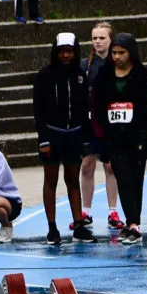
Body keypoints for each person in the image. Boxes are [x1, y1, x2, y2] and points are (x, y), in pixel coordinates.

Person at [92, 33, 147, 243]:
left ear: (131, 53)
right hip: (114, 137)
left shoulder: (142, 75)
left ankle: (133, 223)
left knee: (136, 180)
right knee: (123, 179)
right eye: (114, 53)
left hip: (137, 136)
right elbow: (98, 106)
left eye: (122, 52)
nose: (117, 57)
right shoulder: (104, 75)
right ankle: (132, 224)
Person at [33, 31, 91, 244]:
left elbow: (85, 108)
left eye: (70, 51)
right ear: (55, 53)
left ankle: (78, 225)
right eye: (62, 51)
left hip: (74, 134)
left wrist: (85, 137)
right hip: (52, 134)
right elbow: (38, 111)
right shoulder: (44, 76)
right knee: (51, 180)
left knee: (73, 180)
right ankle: (52, 228)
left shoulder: (80, 76)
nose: (66, 55)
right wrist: (43, 139)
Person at [76, 21, 122, 236]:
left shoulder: (119, 63)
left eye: (102, 38)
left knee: (111, 166)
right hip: (89, 123)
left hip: (112, 123)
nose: (97, 41)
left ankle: (113, 212)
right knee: (87, 165)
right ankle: (85, 212)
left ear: (111, 39)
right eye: (94, 38)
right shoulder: (85, 65)